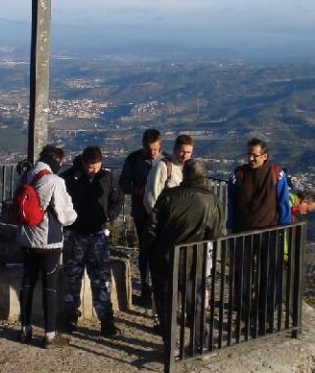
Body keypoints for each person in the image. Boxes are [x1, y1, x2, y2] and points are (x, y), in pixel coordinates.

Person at [146, 159, 224, 342]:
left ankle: (169, 343)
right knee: (194, 304)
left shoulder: (168, 196)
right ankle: (199, 340)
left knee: (165, 303)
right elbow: (215, 233)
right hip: (194, 260)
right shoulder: (211, 200)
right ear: (202, 177)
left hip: (165, 258)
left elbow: (151, 228)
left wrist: (150, 254)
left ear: (185, 175)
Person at [227, 138, 291, 334]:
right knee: (241, 276)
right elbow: (231, 203)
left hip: (269, 233)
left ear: (265, 156)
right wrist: (230, 225)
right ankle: (244, 315)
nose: (251, 158)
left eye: (255, 155)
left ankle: (264, 317)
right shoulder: (238, 174)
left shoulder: (276, 175)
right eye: (249, 154)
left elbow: (283, 203)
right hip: (243, 233)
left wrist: (283, 227)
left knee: (269, 276)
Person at [16, 145, 77, 349]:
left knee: (27, 282)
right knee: (50, 285)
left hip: (25, 237)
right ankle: (50, 334)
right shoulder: (54, 181)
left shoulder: (25, 177)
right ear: (57, 160)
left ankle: (25, 329)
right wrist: (74, 217)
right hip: (48, 240)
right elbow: (64, 214)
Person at [61, 146, 123, 337]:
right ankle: (71, 316)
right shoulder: (68, 178)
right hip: (75, 234)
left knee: (101, 279)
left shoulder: (106, 178)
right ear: (83, 162)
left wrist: (108, 216)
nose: (94, 170)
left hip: (97, 234)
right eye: (90, 167)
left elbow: (117, 199)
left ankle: (106, 321)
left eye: (97, 166)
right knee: (72, 277)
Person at [118, 128, 162, 307]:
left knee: (159, 252)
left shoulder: (165, 160)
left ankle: (159, 288)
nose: (153, 153)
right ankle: (145, 288)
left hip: (161, 215)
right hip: (141, 212)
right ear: (143, 145)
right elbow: (123, 184)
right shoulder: (133, 159)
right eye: (149, 150)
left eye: (155, 150)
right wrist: (140, 191)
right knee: (145, 251)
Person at [143, 134, 195, 216]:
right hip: (166, 219)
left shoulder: (192, 168)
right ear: (175, 150)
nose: (185, 155)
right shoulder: (164, 166)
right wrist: (158, 220)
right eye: (182, 151)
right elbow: (151, 198)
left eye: (188, 152)